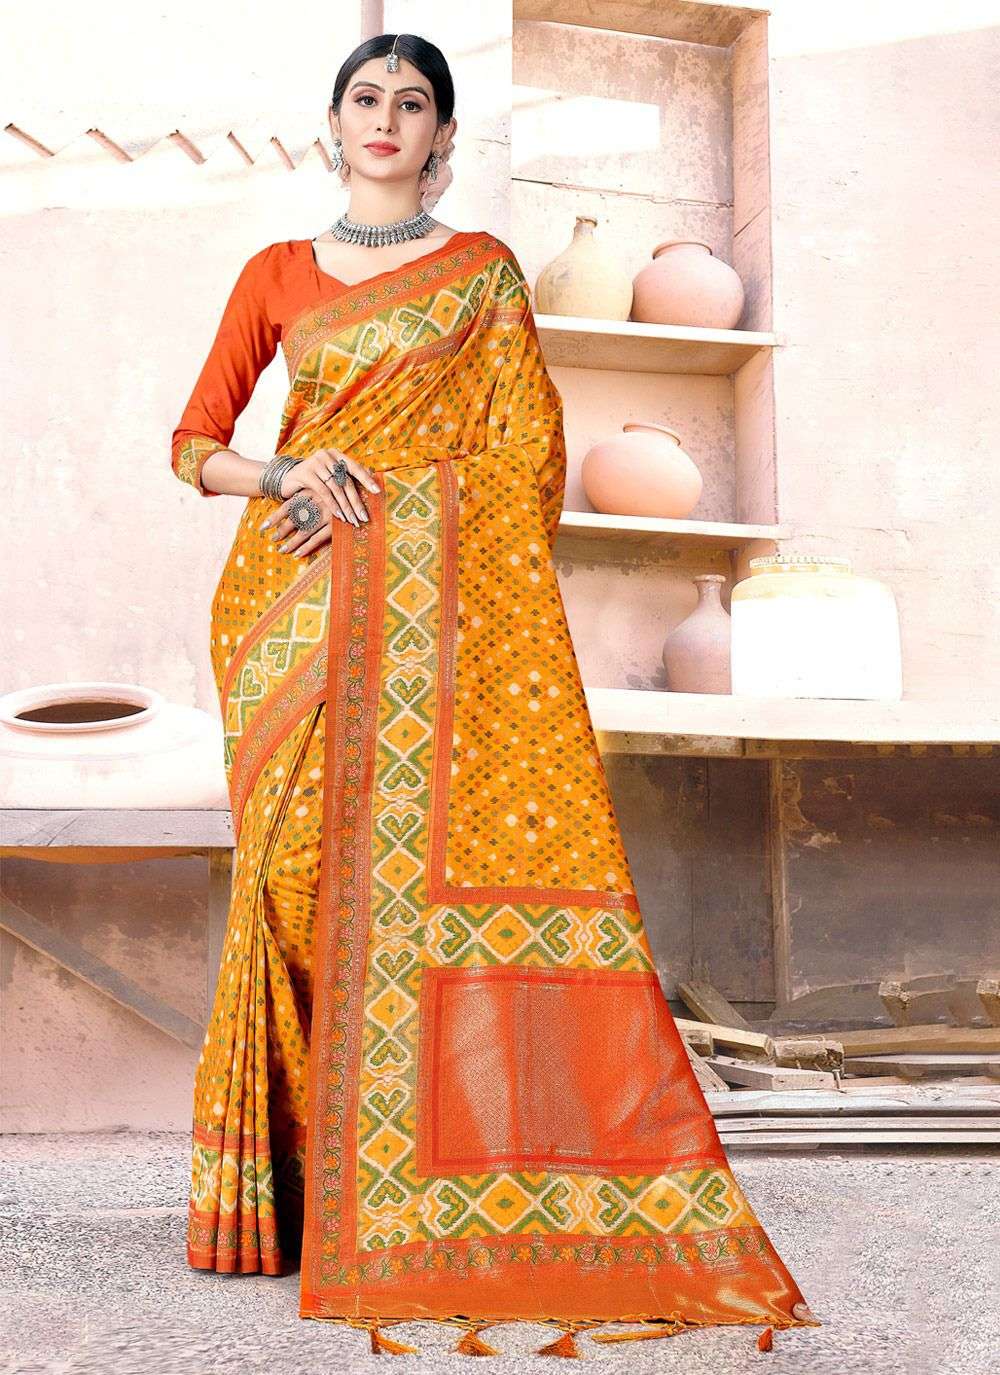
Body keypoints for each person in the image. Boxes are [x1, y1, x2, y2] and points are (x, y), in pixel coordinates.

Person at [172, 30, 819, 1358]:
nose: (387, 117)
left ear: (444, 136)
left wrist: (394, 505)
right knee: (292, 885)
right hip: (286, 608)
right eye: (366, 98)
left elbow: (525, 451)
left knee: (375, 889)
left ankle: (385, 1195)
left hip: (429, 612)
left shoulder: (481, 274)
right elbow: (194, 445)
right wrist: (289, 475)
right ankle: (290, 1193)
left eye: (413, 102)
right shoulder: (276, 272)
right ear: (334, 123)